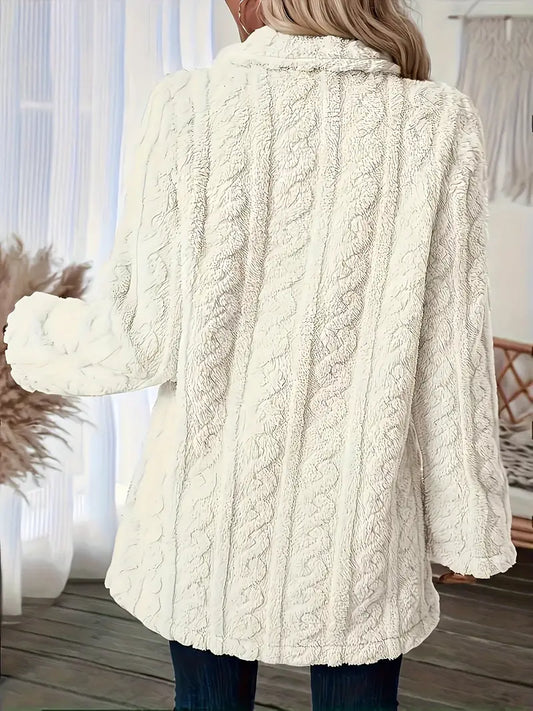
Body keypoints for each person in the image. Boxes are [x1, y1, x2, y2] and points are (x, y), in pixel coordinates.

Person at [4, 1, 517, 710]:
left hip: (206, 510)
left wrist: (31, 322)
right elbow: (451, 358)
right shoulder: (436, 122)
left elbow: (136, 339)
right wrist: (465, 526)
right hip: (360, 516)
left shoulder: (190, 108)